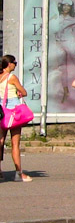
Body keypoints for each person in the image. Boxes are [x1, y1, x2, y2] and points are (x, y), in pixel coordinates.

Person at [0, 54, 33, 182]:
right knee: (15, 143)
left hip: (1, 113)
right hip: (13, 114)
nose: (15, 65)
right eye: (15, 63)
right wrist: (19, 92)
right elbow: (23, 92)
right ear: (9, 64)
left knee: (1, 141)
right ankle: (19, 173)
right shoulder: (12, 77)